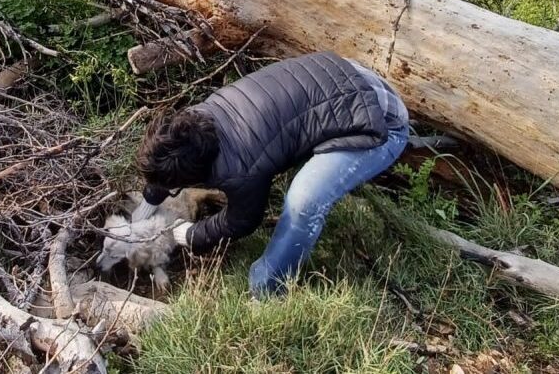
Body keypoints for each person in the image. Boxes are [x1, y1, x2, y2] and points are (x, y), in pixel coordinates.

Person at [136, 51, 409, 297]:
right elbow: (166, 157)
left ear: (194, 174)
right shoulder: (191, 121)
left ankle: (267, 288)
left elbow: (243, 220)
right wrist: (146, 207)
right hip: (343, 73)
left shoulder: (241, 166)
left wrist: (190, 236)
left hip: (381, 122)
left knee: (304, 202)